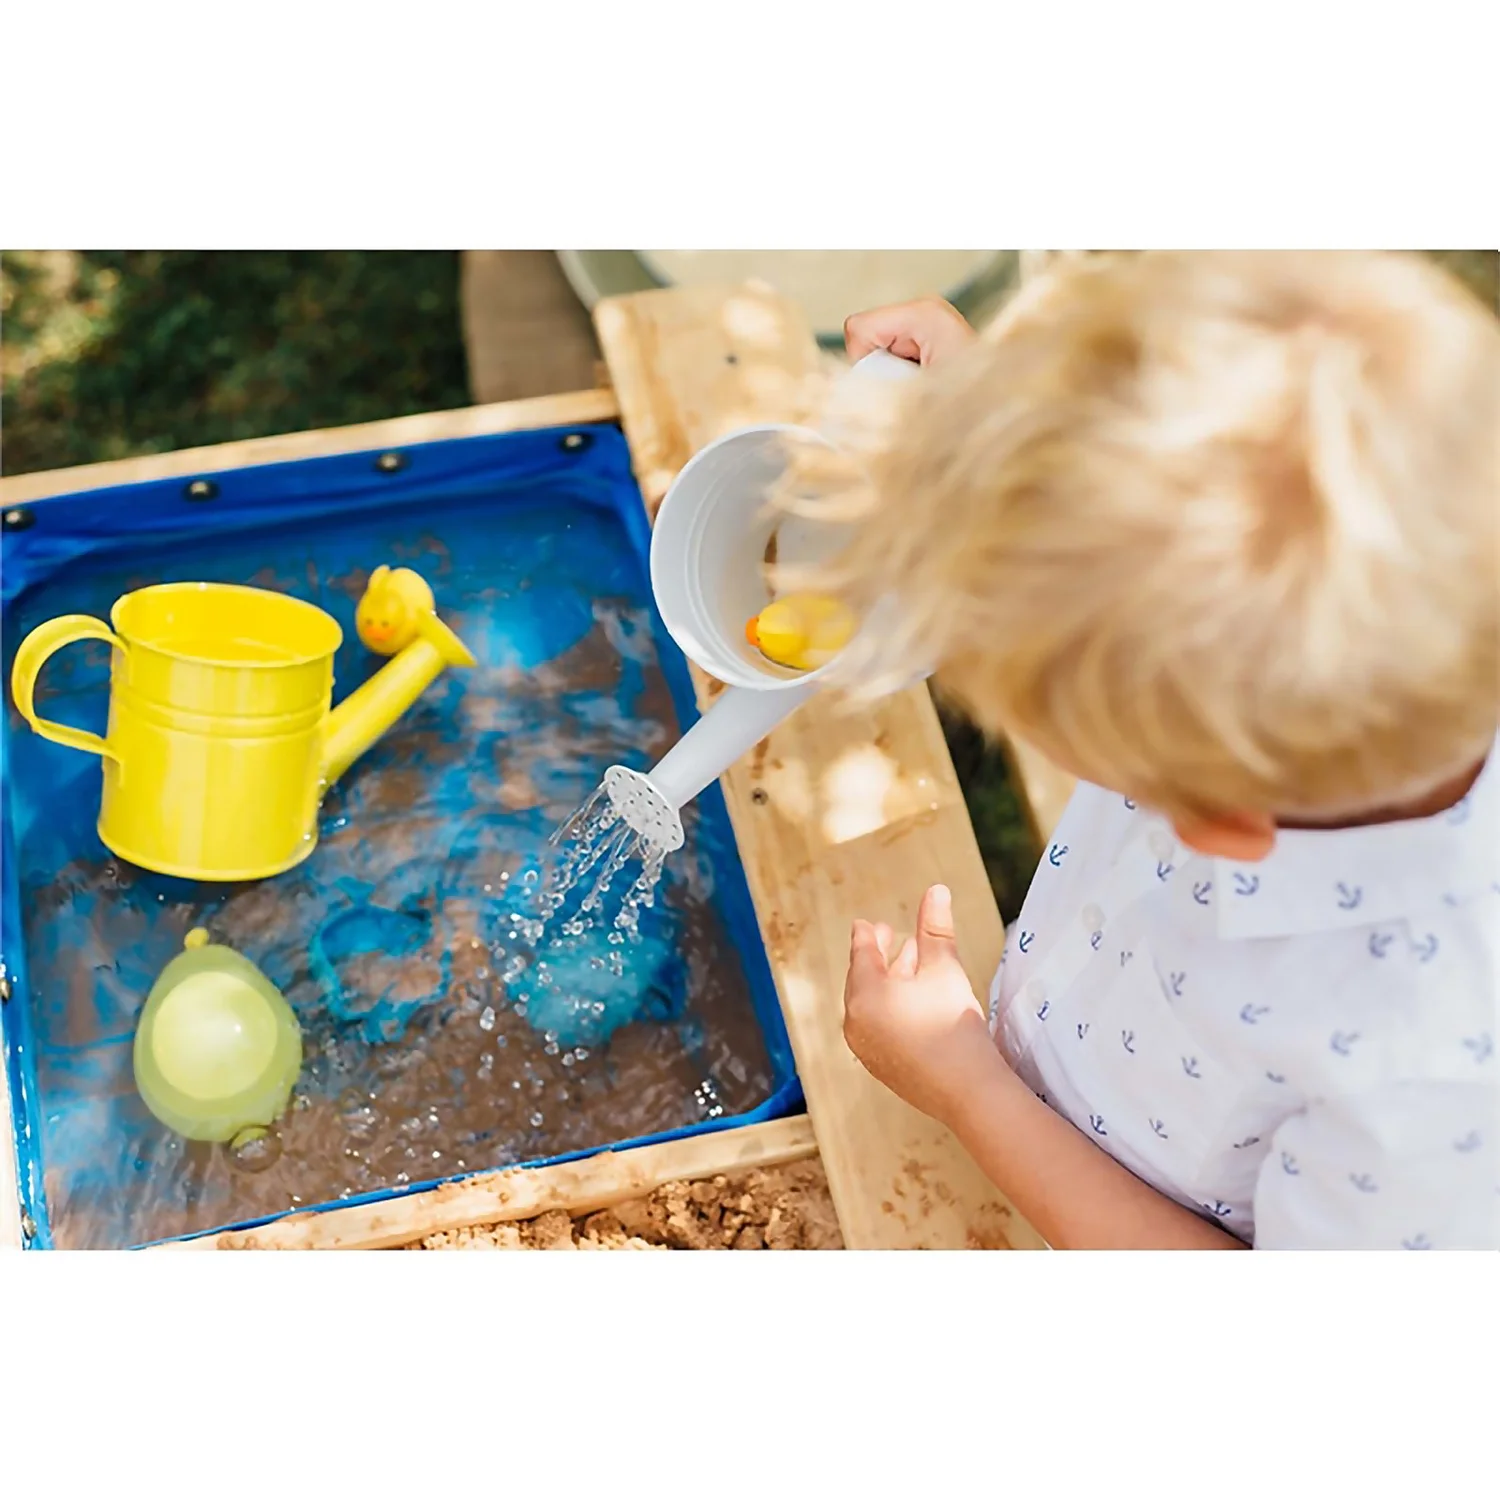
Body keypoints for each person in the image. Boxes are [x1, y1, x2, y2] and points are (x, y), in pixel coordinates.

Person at [818, 252, 1499, 1249]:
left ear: (1214, 823)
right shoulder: (1320, 668)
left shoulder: (1434, 1085)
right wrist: (1004, 434)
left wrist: (968, 1088)